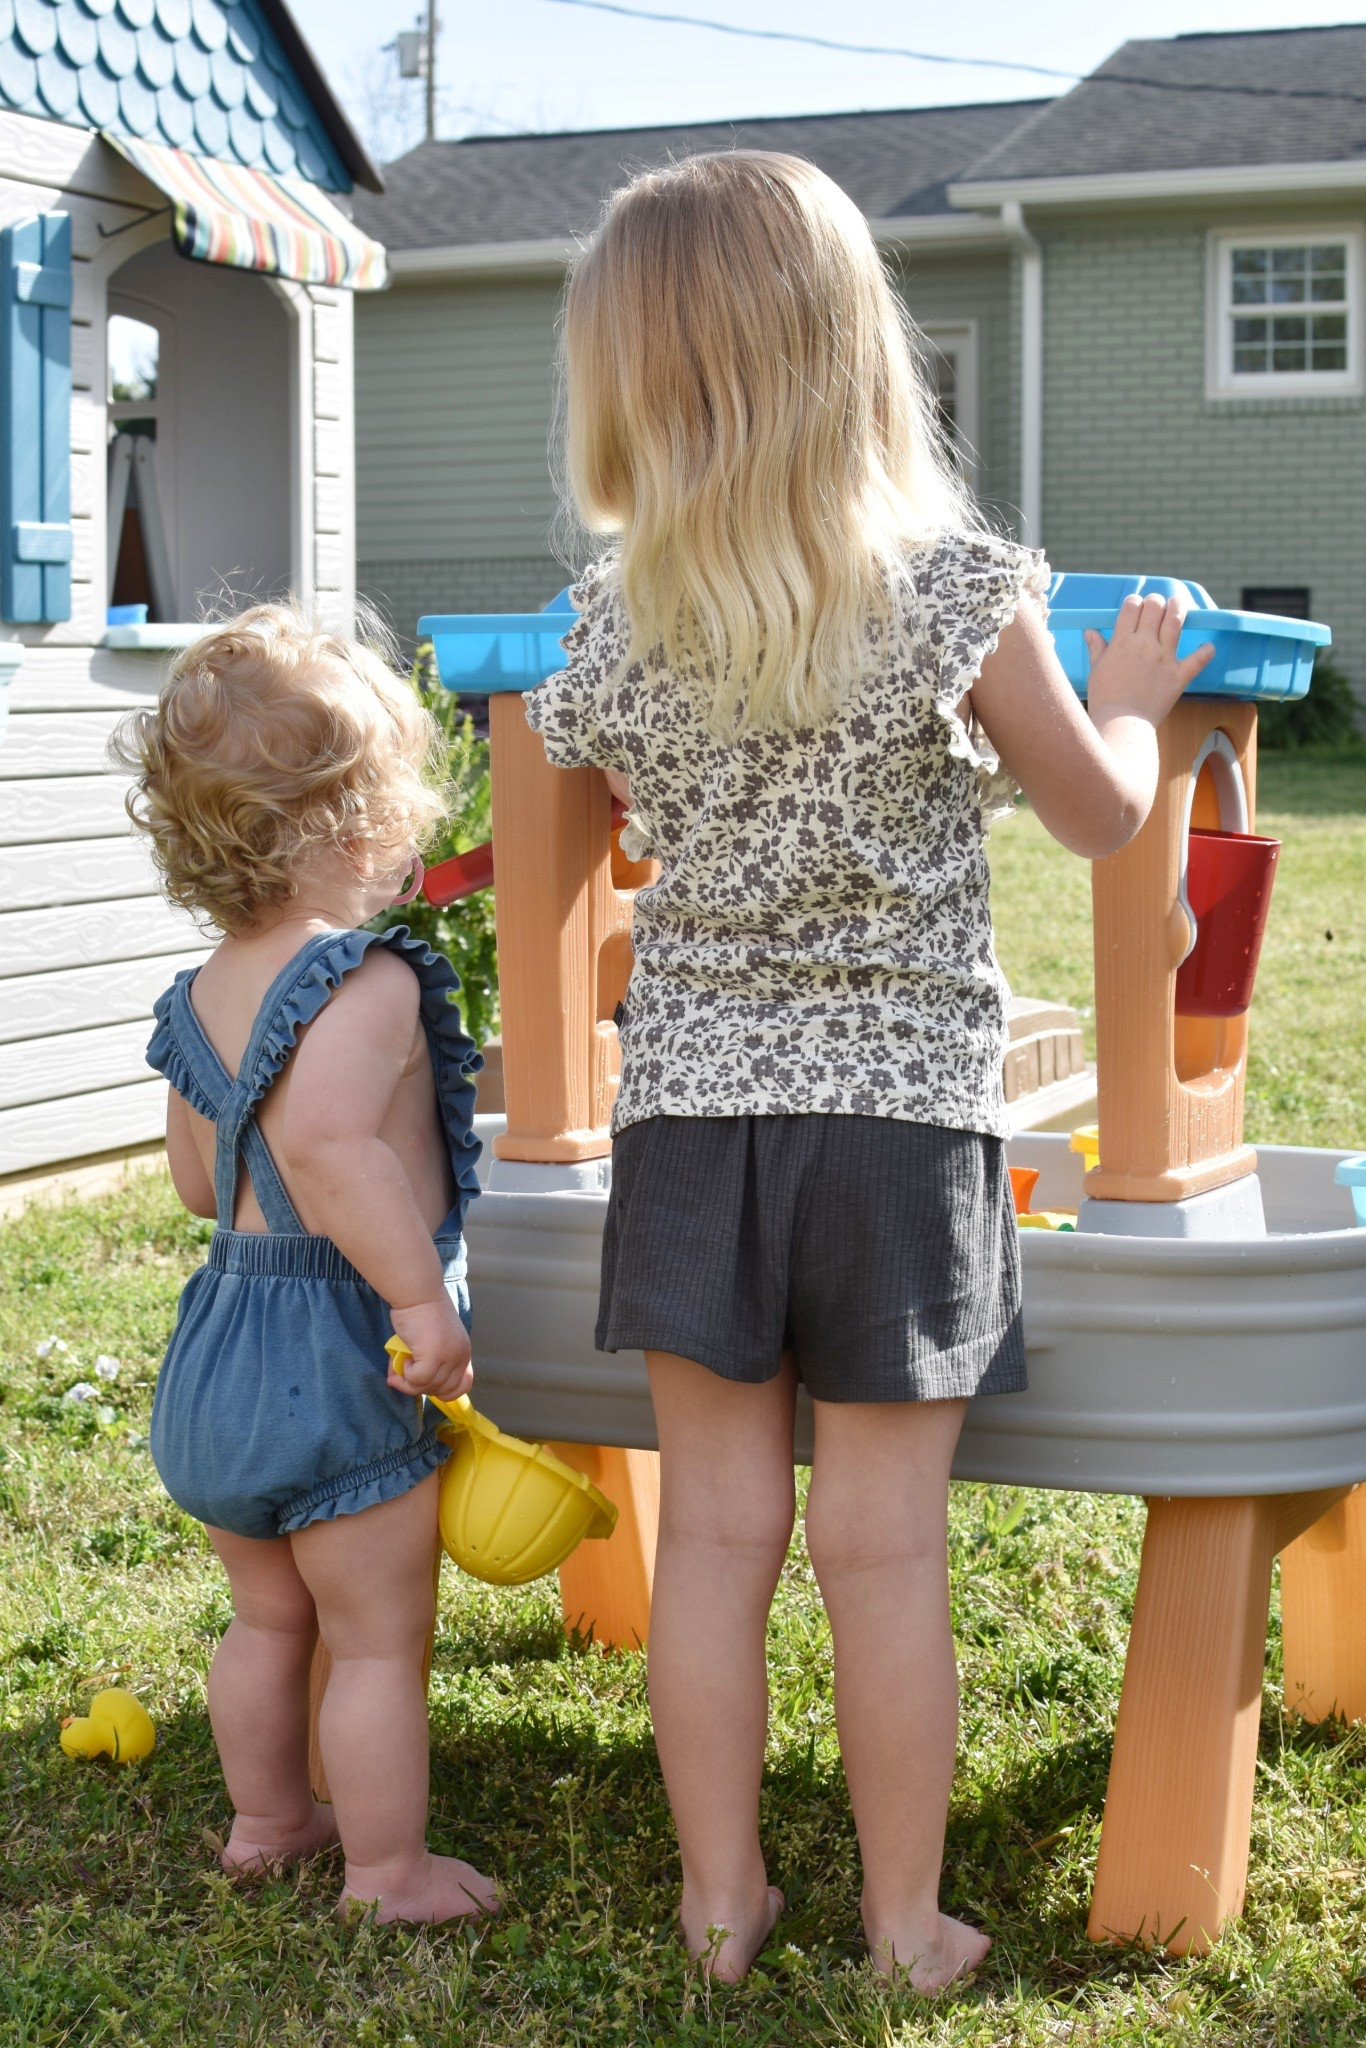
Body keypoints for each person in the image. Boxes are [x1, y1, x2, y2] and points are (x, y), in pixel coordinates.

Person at [528, 150, 1213, 1989]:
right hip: (897, 1125)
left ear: (629, 378)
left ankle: (721, 1903)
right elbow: (1090, 816)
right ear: (853, 351)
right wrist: (1138, 713)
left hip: (688, 1121)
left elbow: (581, 843)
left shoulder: (605, 617)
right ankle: (905, 1922)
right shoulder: (954, 587)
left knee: (718, 1544)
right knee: (881, 1551)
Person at [113, 605, 497, 1926]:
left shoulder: (204, 989)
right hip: (338, 1349)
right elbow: (334, 1150)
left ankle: (270, 1822)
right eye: (400, 809)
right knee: (380, 1637)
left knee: (268, 1620)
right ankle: (388, 1874)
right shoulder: (366, 979)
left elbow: (190, 1178)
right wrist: (410, 1299)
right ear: (341, 826)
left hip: (219, 1337)